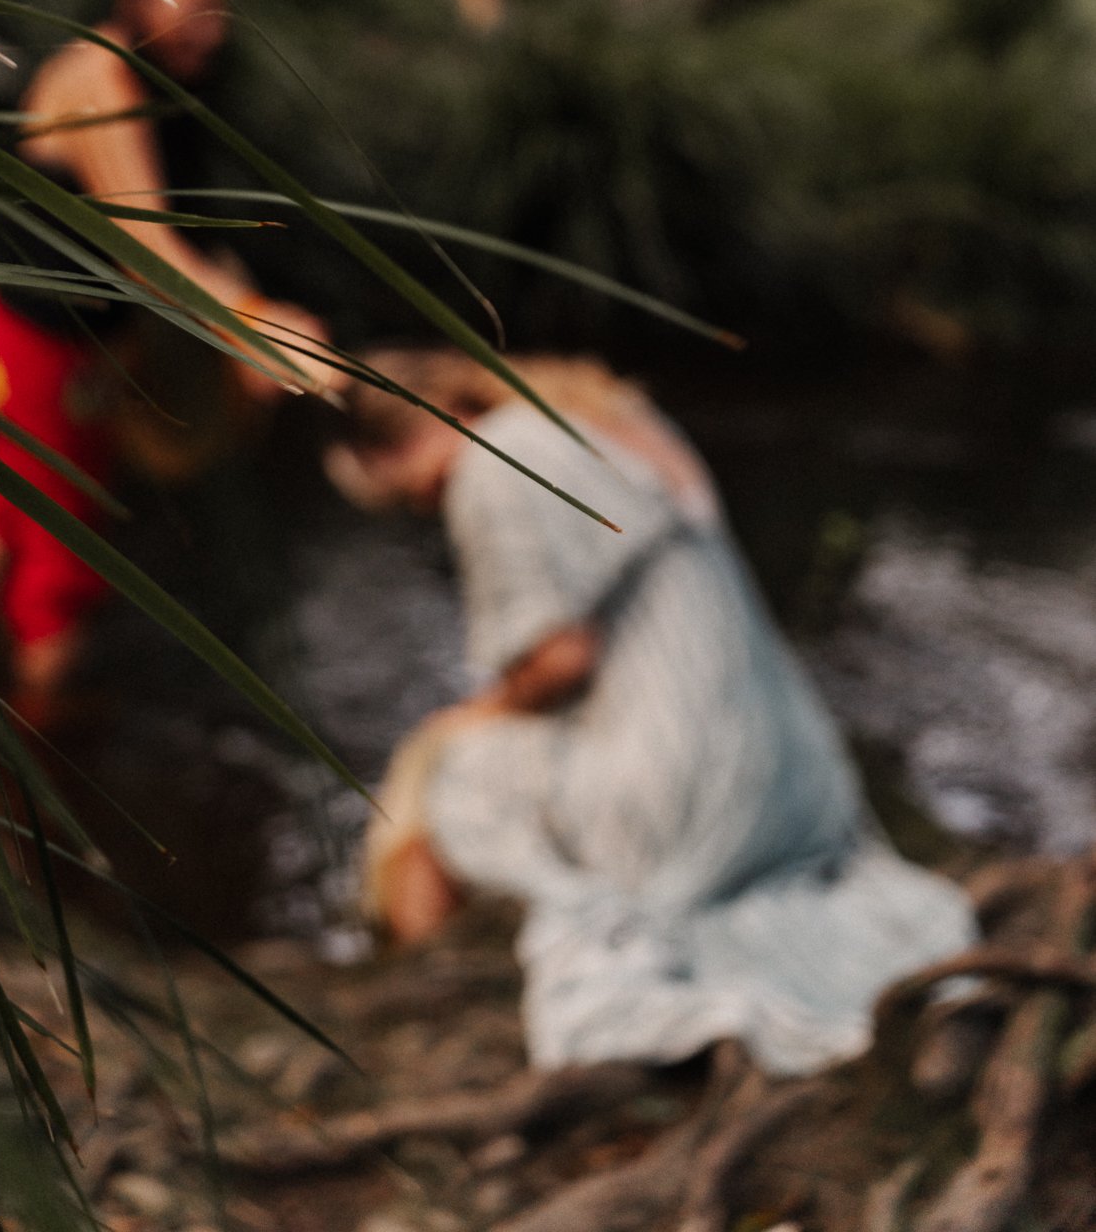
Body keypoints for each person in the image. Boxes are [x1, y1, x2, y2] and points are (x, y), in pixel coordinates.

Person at [327, 351, 975, 1078]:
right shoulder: (607, 419)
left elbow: (559, 660)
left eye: (415, 494)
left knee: (436, 764)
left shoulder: (495, 459)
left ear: (401, 443)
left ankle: (417, 974)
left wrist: (470, 716)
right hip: (796, 780)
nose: (428, 507)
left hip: (684, 787)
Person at [0, 0, 331, 736]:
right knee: (63, 553)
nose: (210, 29)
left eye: (221, 12)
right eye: (195, 5)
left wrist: (244, 307)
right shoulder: (101, 78)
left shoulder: (147, 84)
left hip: (19, 327)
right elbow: (148, 252)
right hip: (39, 345)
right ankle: (32, 755)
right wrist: (258, 327)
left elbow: (176, 243)